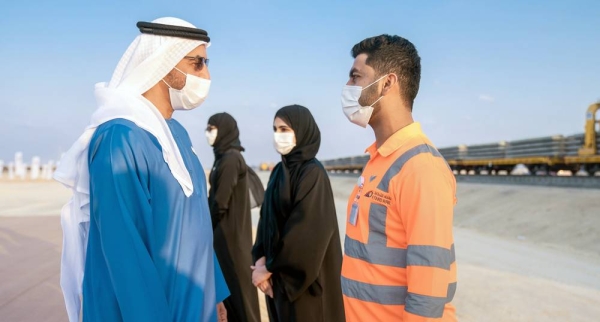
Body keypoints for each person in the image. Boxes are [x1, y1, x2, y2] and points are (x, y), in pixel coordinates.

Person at [54, 17, 229, 322]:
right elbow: (125, 256)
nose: (207, 74)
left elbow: (196, 221)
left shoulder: (177, 136)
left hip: (195, 303)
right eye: (198, 63)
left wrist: (214, 294)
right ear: (165, 65)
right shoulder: (119, 139)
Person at [339, 35, 458, 321]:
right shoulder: (380, 159)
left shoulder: (420, 168)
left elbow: (428, 290)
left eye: (356, 77)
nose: (348, 87)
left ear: (388, 83)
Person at [251, 105, 345, 322]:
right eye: (275, 129)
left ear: (302, 130)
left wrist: (268, 269)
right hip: (278, 282)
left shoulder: (312, 173)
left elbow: (306, 234)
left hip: (306, 286)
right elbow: (266, 221)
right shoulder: (278, 172)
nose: (278, 136)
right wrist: (260, 259)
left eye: (284, 129)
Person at [206, 112, 261, 322]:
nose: (208, 133)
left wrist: (204, 227)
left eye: (212, 128)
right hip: (224, 237)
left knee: (239, 294)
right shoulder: (223, 157)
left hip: (231, 240)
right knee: (230, 295)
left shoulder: (230, 159)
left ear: (225, 130)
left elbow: (220, 202)